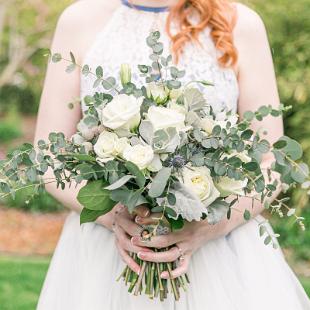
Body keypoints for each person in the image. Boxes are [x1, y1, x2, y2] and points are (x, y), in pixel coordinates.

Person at [35, 0, 310, 309]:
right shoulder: (79, 20)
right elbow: (48, 158)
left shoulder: (241, 23)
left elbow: (273, 163)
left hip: (220, 257)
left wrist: (210, 226)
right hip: (105, 257)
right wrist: (114, 217)